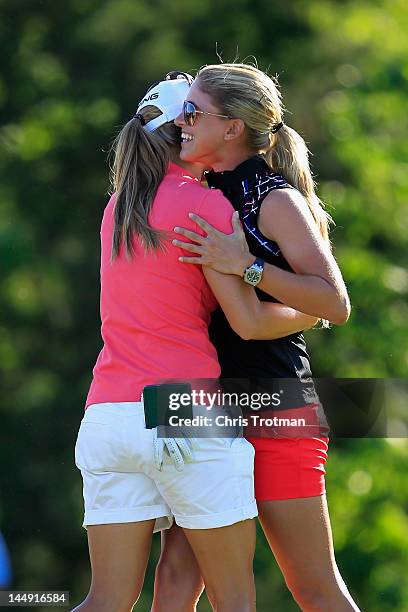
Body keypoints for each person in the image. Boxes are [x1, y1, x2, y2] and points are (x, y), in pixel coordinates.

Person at [73, 72, 319, 612]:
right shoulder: (205, 207)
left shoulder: (116, 210)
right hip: (186, 410)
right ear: (178, 135)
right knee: (234, 600)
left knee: (107, 600)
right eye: (186, 116)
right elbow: (250, 323)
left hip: (106, 418)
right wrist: (309, 312)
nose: (191, 124)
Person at [151, 64, 360, 612]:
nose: (182, 122)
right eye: (183, 110)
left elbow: (334, 303)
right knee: (174, 583)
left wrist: (248, 267)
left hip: (274, 402)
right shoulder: (192, 190)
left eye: (193, 113)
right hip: (201, 405)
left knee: (313, 589)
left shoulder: (276, 198)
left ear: (233, 128)